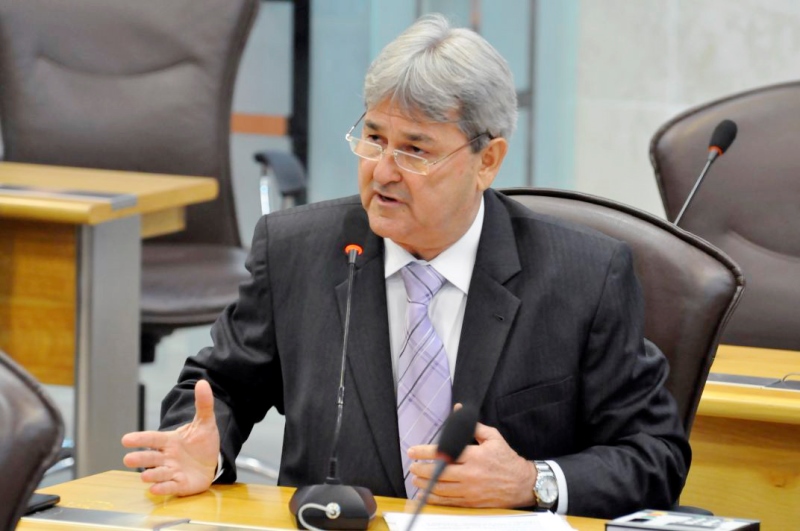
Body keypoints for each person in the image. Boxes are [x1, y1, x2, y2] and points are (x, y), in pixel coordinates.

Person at [121, 13, 689, 519]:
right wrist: (206, 448)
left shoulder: (584, 276)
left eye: (415, 150)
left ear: (487, 161)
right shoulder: (297, 251)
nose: (383, 170)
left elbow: (655, 455)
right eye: (374, 138)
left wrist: (531, 481)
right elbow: (218, 387)